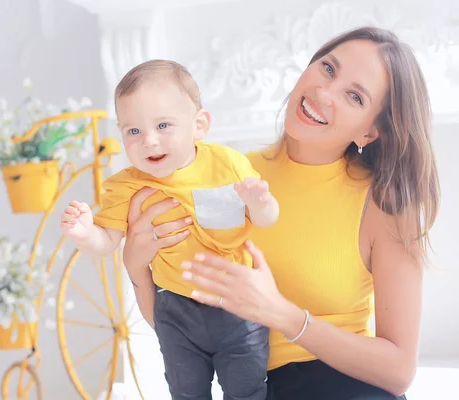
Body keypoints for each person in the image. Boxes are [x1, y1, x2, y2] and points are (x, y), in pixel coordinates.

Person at [120, 26, 440, 400]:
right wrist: (137, 269)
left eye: (354, 96)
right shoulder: (226, 176)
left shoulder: (384, 205)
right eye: (328, 69)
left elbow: (399, 372)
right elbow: (184, 327)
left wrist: (283, 315)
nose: (324, 92)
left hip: (344, 387)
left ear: (370, 132)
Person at [61, 59, 280, 399]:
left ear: (199, 125)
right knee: (185, 391)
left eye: (163, 125)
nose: (149, 141)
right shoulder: (126, 186)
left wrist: (260, 202)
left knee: (247, 389)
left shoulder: (227, 164)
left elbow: (266, 220)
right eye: (133, 131)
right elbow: (107, 243)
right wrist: (84, 233)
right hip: (176, 309)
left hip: (238, 303)